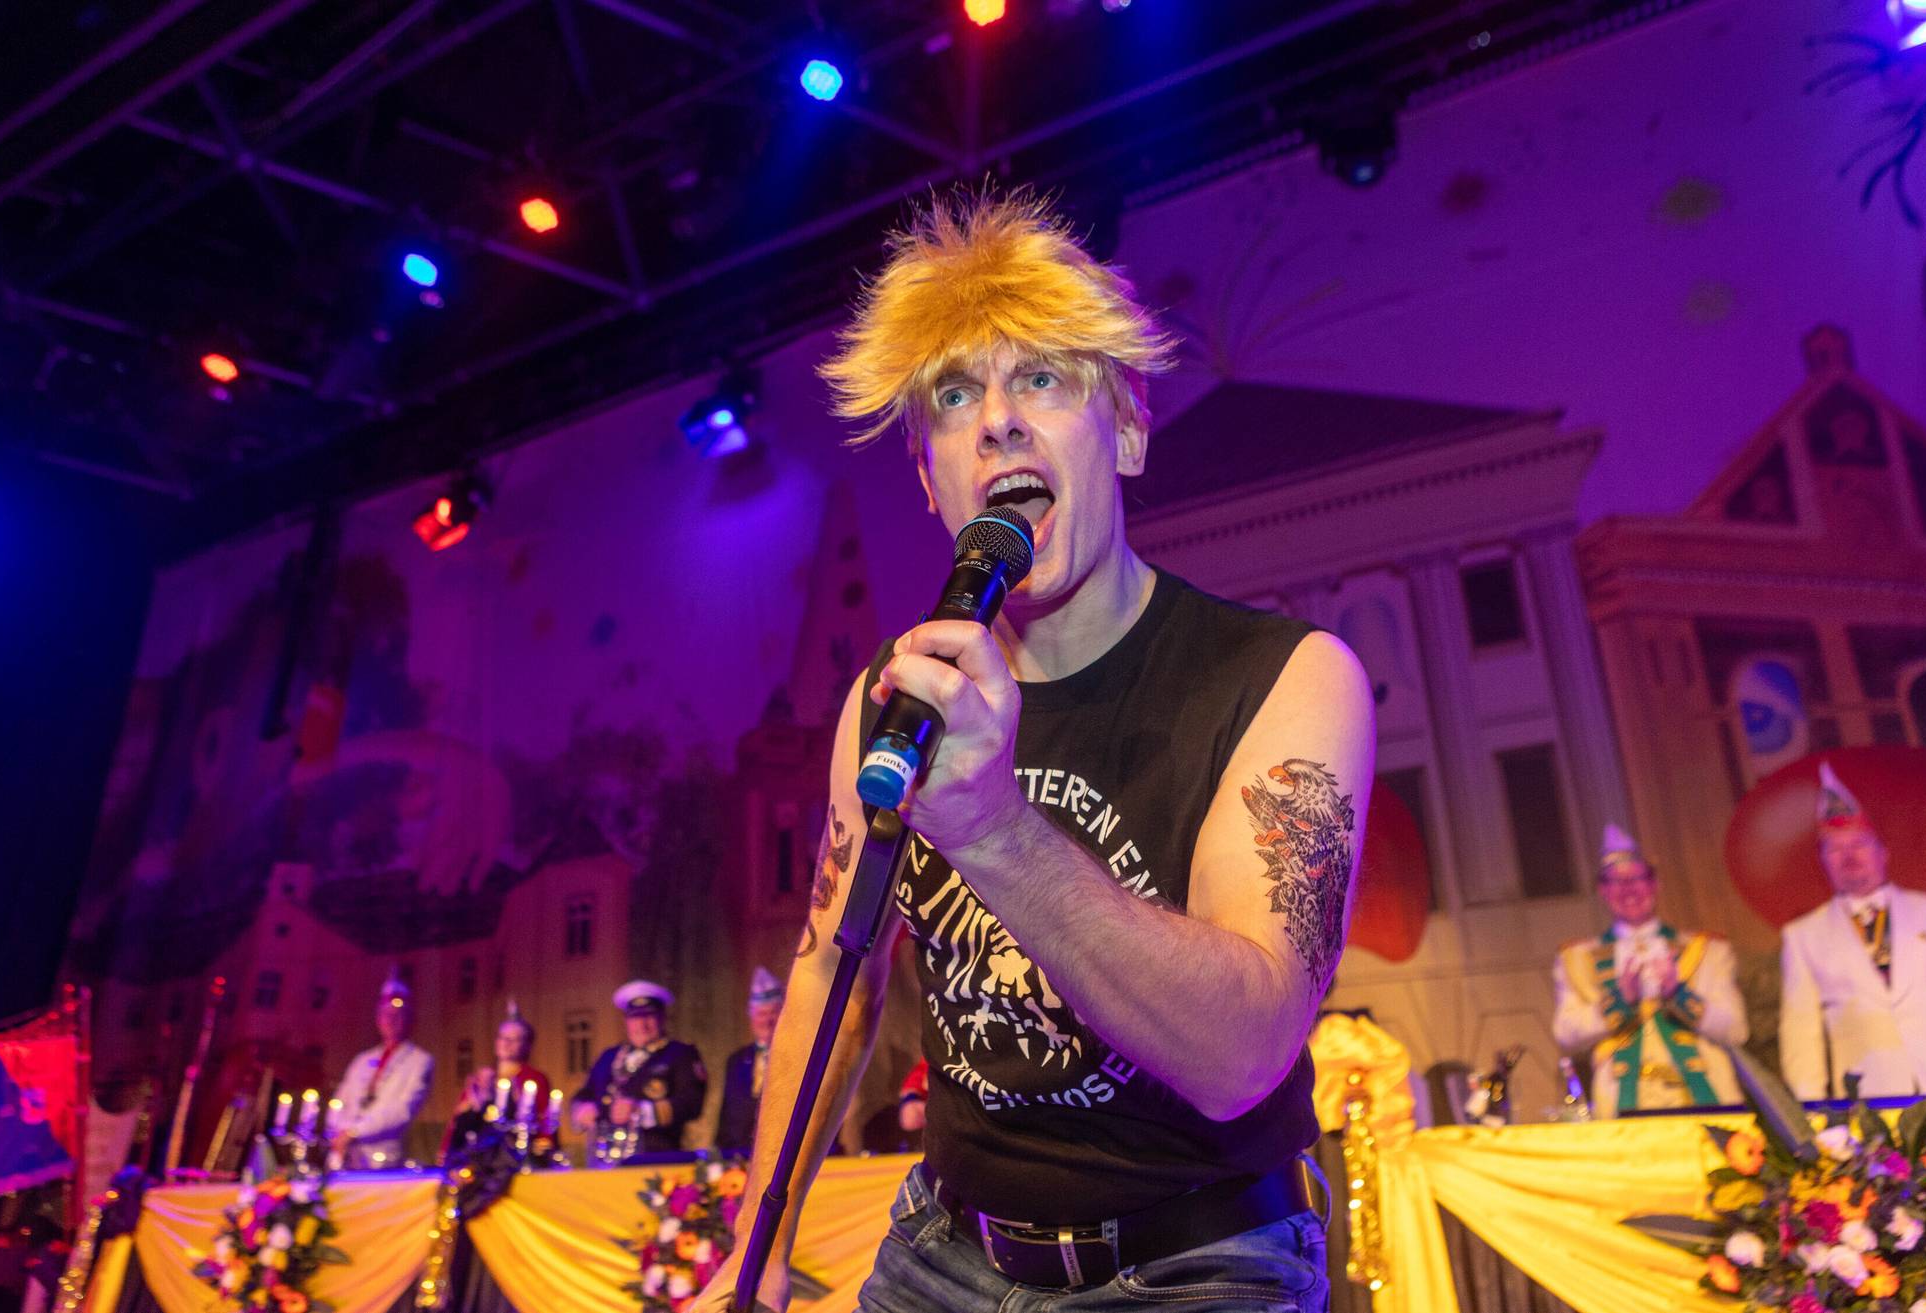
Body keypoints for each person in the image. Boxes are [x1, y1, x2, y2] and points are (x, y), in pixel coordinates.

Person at [697, 190, 1373, 1313]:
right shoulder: (894, 700)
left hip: (1196, 1261)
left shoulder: (1287, 679)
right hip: (944, 1249)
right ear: (931, 482)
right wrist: (757, 1242)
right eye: (956, 396)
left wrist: (995, 830)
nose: (998, 422)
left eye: (1043, 380)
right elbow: (831, 968)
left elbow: (1241, 1054)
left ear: (1129, 431)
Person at [1780, 761, 1926, 1100]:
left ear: (1883, 852)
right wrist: (1812, 1110)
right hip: (1872, 1100)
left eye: (1859, 844)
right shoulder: (1803, 936)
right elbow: (1801, 1032)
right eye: (1835, 848)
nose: (1849, 856)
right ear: (1822, 861)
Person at [1551, 824, 1746, 1116]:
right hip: (1622, 1101)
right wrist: (1620, 1001)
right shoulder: (1577, 959)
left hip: (1705, 1095)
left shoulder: (1708, 951)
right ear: (1603, 891)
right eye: (1616, 882)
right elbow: (1566, 1033)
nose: (1628, 889)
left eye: (1637, 879)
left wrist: (1678, 994)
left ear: (1655, 885)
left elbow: (1736, 1030)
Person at [570, 980, 708, 1158]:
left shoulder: (680, 1054)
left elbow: (692, 1103)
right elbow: (584, 1093)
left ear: (662, 1018)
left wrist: (640, 1112)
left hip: (656, 1156)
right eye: (635, 1017)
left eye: (649, 1016)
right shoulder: (609, 1056)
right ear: (626, 1021)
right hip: (604, 1156)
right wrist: (582, 1109)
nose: (642, 1025)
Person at [327, 971, 436, 1169]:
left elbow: (402, 1111)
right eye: (386, 1014)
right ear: (378, 1018)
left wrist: (355, 1132)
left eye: (398, 1015)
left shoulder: (420, 1061)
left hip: (382, 1158)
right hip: (344, 1153)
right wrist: (337, 1131)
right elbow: (341, 1101)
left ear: (409, 1019)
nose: (391, 1020)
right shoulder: (362, 1060)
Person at [446, 999, 554, 1154]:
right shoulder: (481, 1079)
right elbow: (458, 1123)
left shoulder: (534, 1079)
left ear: (526, 1045)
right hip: (479, 1152)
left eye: (514, 1039)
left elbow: (544, 1122)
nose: (506, 1043)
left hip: (517, 1152)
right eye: (502, 1037)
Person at [715, 969, 786, 1157]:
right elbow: (727, 1117)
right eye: (761, 1013)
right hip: (740, 1157)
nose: (767, 1021)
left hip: (782, 1155)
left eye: (773, 1012)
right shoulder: (737, 1060)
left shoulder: (799, 1056)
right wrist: (719, 1157)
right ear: (751, 1016)